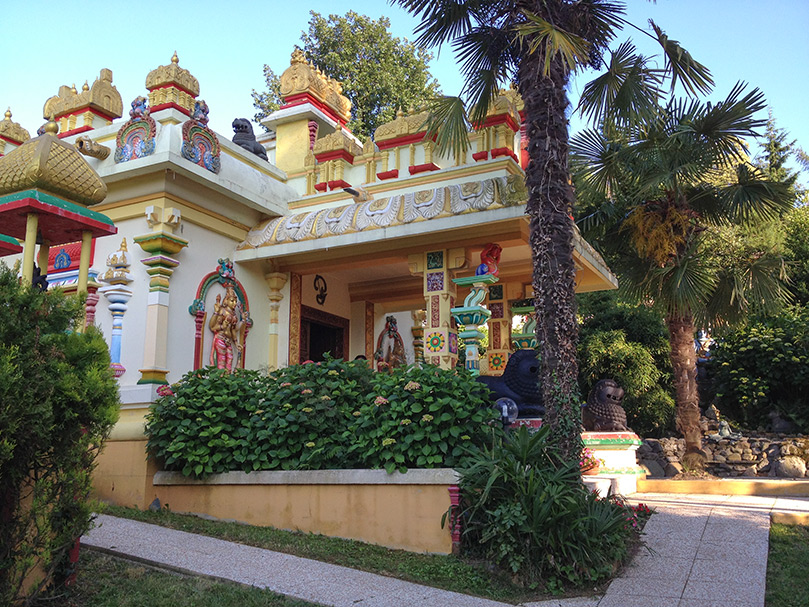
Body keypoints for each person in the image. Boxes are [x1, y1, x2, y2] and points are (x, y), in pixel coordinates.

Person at [209, 287, 242, 372]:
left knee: (230, 359)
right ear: (226, 301)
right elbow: (213, 327)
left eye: (235, 301)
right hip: (220, 338)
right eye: (232, 301)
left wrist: (236, 342)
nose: (234, 303)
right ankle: (221, 381)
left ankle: (227, 381)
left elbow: (233, 330)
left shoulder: (234, 315)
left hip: (228, 341)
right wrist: (222, 326)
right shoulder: (222, 311)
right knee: (221, 361)